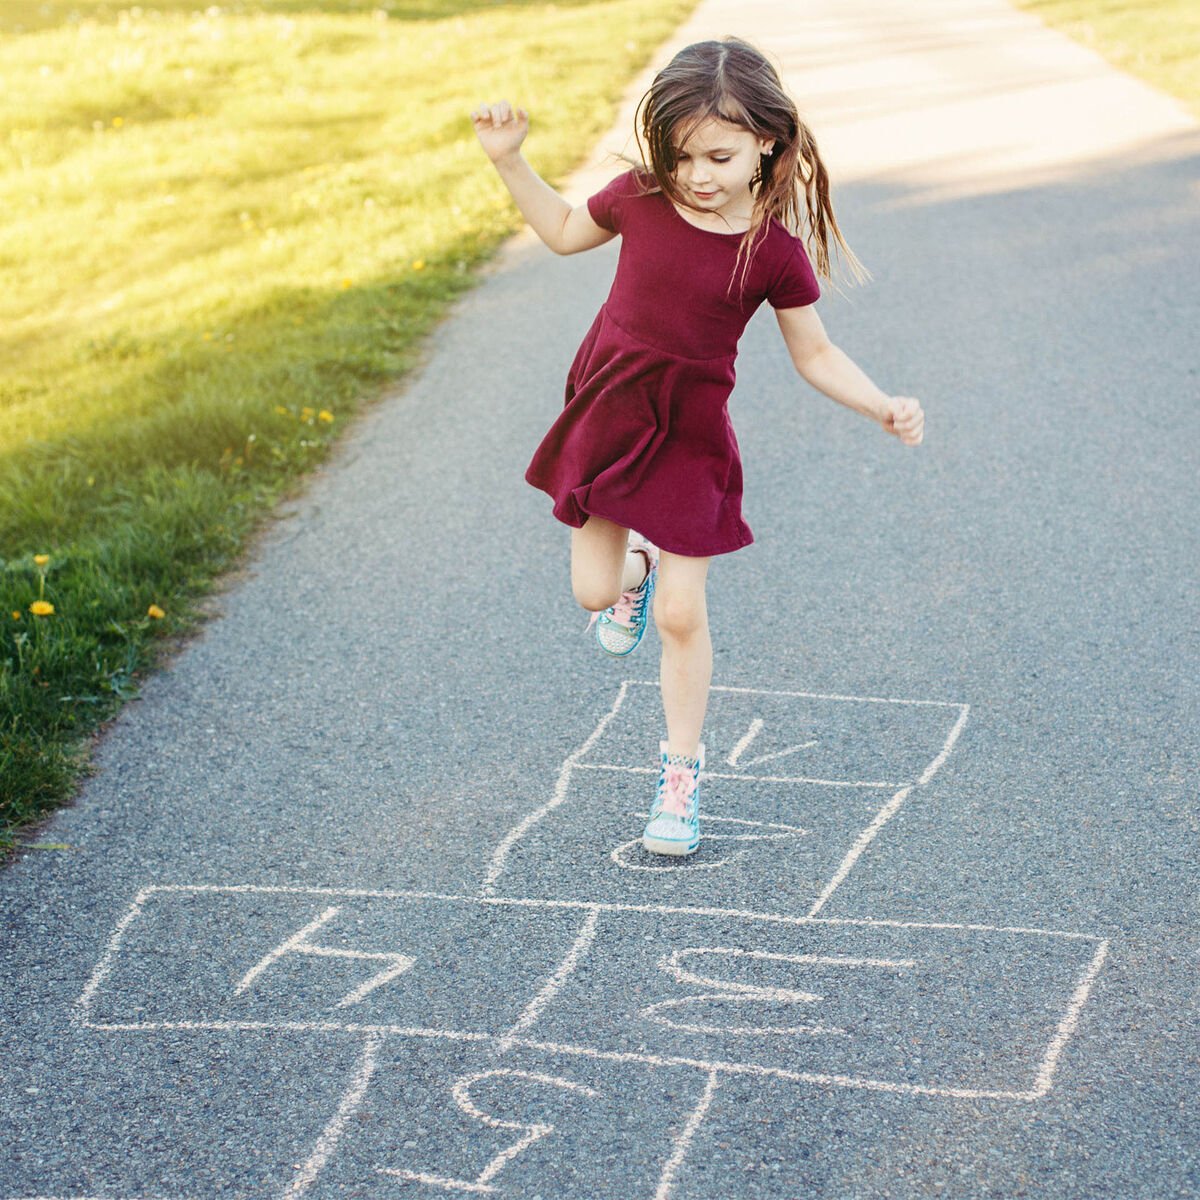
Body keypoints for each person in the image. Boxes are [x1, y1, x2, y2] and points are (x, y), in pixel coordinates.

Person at [471, 36, 924, 859]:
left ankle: (679, 777)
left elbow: (815, 354)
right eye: (681, 155)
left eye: (718, 154)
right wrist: (511, 163)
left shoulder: (773, 254)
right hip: (609, 413)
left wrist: (880, 405)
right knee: (590, 592)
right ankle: (632, 576)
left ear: (766, 143)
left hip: (688, 436)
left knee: (686, 616)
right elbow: (568, 232)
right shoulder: (641, 199)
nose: (698, 174)